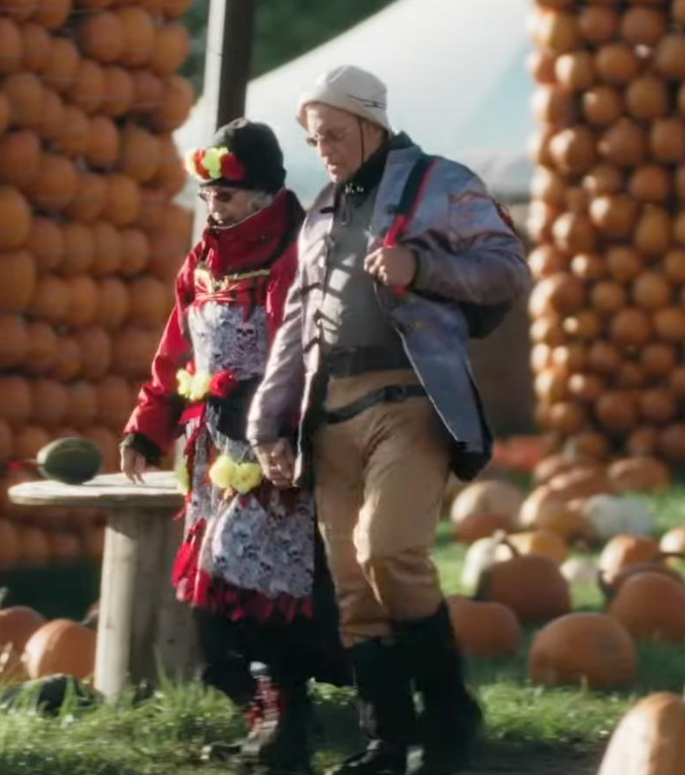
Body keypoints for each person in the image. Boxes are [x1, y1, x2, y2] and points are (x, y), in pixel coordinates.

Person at [247, 66, 531, 775]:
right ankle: (387, 740)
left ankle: (449, 715)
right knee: (352, 586)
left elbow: (507, 268)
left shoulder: (442, 182)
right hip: (328, 413)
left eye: (336, 135)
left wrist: (420, 265)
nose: (327, 150)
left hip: (408, 402)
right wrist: (269, 422)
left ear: (371, 121)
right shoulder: (319, 212)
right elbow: (294, 324)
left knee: (389, 550)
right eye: (316, 140)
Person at [120, 118, 349, 775]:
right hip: (210, 457)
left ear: (261, 194)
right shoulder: (203, 261)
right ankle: (270, 718)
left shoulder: (292, 255)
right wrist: (146, 425)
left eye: (224, 195)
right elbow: (176, 352)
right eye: (206, 196)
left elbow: (305, 352)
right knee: (216, 598)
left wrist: (266, 412)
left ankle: (292, 724)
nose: (213, 208)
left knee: (255, 593)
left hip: (273, 452)